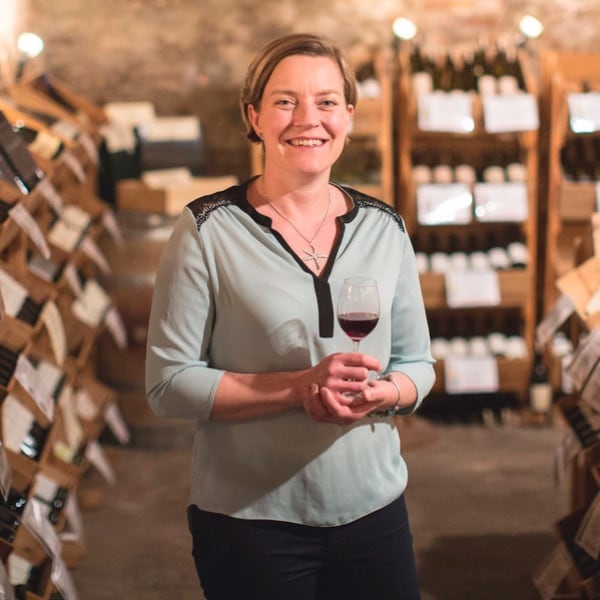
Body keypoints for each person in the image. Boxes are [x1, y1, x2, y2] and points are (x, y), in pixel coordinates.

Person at [145, 32, 435, 600]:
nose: (309, 119)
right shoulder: (207, 230)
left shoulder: (385, 228)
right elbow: (168, 384)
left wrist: (386, 393)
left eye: (326, 102)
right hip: (252, 522)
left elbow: (418, 363)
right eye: (285, 101)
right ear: (254, 117)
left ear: (348, 117)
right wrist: (298, 387)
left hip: (374, 510)